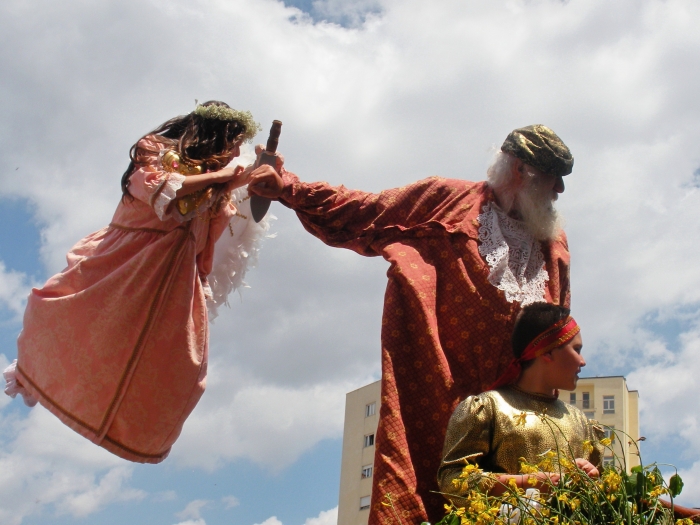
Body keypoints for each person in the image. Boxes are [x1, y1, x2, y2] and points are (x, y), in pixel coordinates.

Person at [248, 124, 574, 524]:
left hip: (517, 417)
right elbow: (364, 210)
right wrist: (287, 187)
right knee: (424, 494)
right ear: (522, 170)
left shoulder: (553, 244)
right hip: (438, 393)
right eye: (554, 179)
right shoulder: (446, 201)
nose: (559, 191)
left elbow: (558, 332)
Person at [3, 101, 279, 463]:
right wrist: (223, 178)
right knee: (78, 324)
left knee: (175, 371)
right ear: (214, 134)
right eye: (231, 141)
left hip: (171, 279)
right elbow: (159, 189)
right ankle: (42, 375)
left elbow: (233, 225)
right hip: (127, 261)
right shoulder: (157, 151)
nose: (232, 151)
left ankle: (123, 427)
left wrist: (261, 176)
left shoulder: (220, 190)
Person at [437, 303, 602, 505]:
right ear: (547, 351)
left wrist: (591, 479)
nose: (583, 361)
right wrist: (528, 482)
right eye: (576, 349)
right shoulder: (488, 408)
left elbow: (602, 497)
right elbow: (452, 481)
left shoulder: (580, 421)